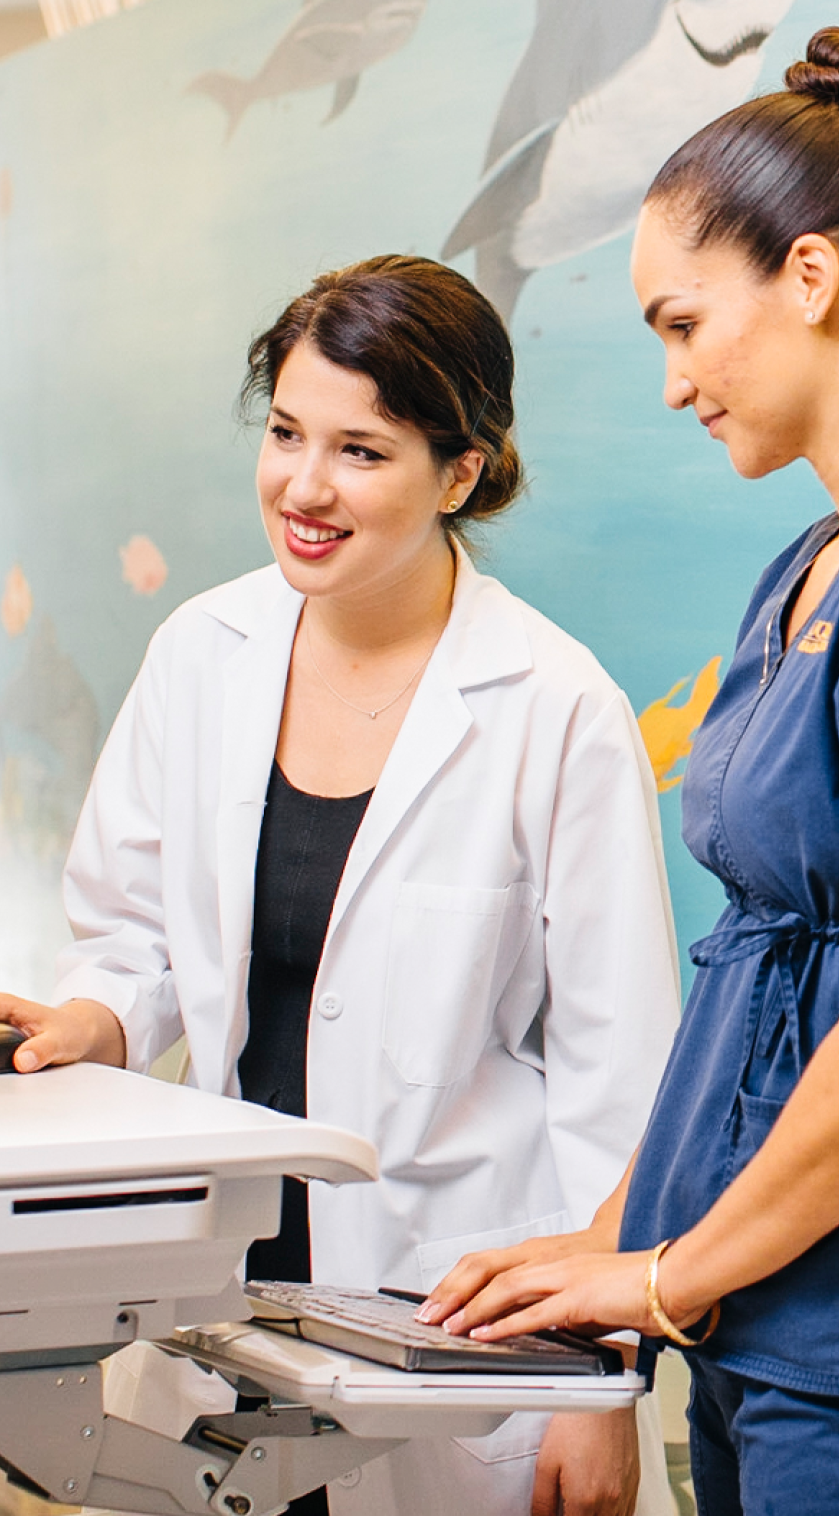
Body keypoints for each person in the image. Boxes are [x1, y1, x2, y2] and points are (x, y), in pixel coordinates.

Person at [421, 28, 839, 1516]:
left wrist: (661, 1278)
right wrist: (607, 1241)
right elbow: (760, 980)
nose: (674, 384)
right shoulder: (814, 566)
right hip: (771, 1337)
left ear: (810, 276)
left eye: (681, 323)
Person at [0, 254, 681, 1516]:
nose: (305, 488)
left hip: (462, 1327)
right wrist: (92, 1019)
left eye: (362, 451)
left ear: (460, 472)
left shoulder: (553, 707)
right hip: (223, 1304)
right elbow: (135, 934)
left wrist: (606, 1383)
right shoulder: (201, 653)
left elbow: (621, 1076)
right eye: (286, 432)